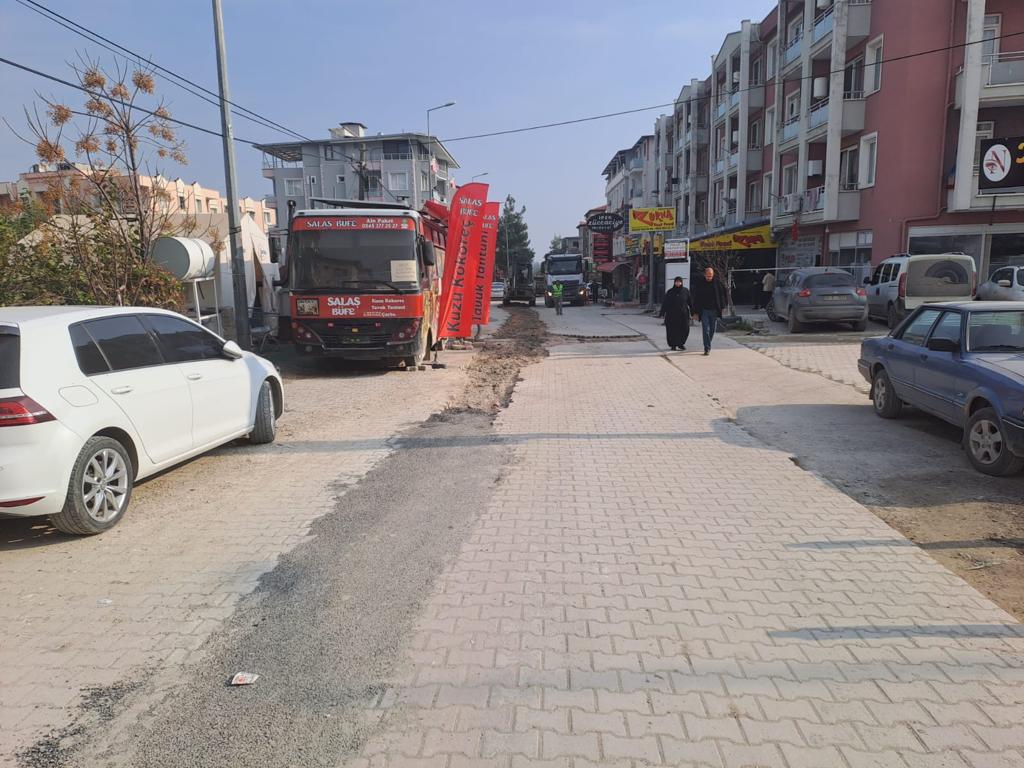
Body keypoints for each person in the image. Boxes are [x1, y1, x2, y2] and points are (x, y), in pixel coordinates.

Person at [691, 266, 727, 355]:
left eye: (710, 276)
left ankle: (708, 343)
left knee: (712, 330)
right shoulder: (700, 284)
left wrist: (723, 307)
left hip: (714, 310)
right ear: (705, 275)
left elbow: (722, 295)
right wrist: (695, 312)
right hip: (704, 310)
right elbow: (696, 298)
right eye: (707, 276)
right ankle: (707, 348)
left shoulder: (717, 283)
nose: (709, 278)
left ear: (713, 275)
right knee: (705, 329)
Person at [658, 276, 692, 351]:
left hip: (683, 315)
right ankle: (673, 345)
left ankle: (681, 344)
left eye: (679, 281)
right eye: (676, 281)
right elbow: (665, 303)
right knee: (672, 330)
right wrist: (662, 313)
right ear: (674, 282)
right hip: (672, 315)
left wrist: (693, 312)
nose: (678, 283)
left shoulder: (685, 291)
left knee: (685, 329)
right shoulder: (670, 292)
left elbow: (690, 302)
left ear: (682, 282)